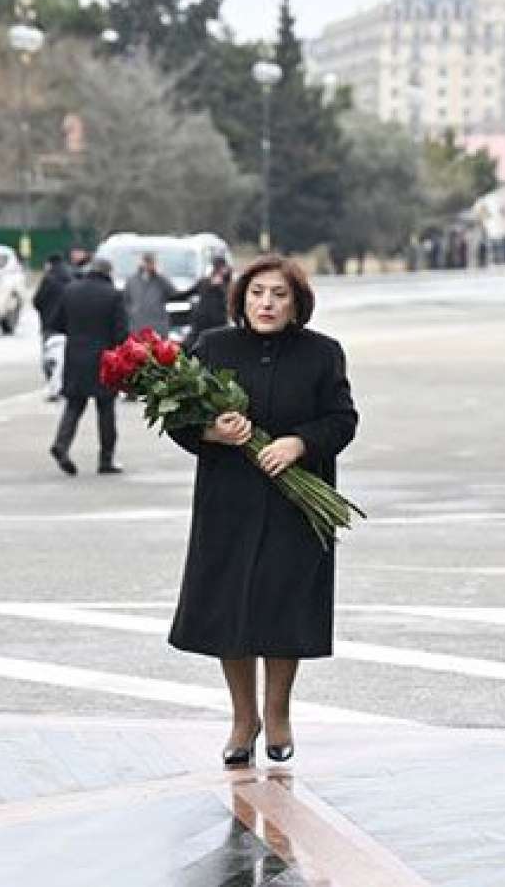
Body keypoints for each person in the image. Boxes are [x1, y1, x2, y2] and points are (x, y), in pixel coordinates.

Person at [167, 256, 358, 768]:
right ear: (240, 300)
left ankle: (278, 715)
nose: (266, 304)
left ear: (296, 302)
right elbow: (180, 419)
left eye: (278, 294)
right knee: (232, 610)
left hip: (295, 501)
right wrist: (212, 432)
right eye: (256, 294)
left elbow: (342, 420)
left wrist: (300, 443)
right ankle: (241, 718)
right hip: (229, 500)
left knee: (282, 607)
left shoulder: (322, 354)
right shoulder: (212, 348)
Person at [46, 257, 128, 476]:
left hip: (75, 357)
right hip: (104, 359)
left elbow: (55, 323)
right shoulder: (113, 295)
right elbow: (121, 333)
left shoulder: (70, 291)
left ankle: (61, 445)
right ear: (108, 273)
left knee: (74, 405)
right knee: (106, 410)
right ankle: (106, 459)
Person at [33, 253, 73, 400]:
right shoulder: (70, 278)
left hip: (49, 325)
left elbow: (36, 301)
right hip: (68, 326)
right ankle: (63, 385)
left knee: (49, 358)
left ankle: (53, 385)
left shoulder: (48, 279)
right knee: (65, 358)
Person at [174, 256, 233, 343]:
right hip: (201, 322)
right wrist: (170, 297)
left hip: (217, 324)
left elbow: (227, 297)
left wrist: (219, 284)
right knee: (190, 345)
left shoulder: (225, 285)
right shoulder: (203, 282)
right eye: (216, 267)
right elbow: (187, 294)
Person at [125, 252, 178, 335]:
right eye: (146, 261)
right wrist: (131, 313)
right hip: (137, 326)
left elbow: (174, 294)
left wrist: (159, 276)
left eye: (151, 262)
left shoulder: (161, 280)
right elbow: (126, 300)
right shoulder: (132, 280)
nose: (148, 265)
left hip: (158, 326)